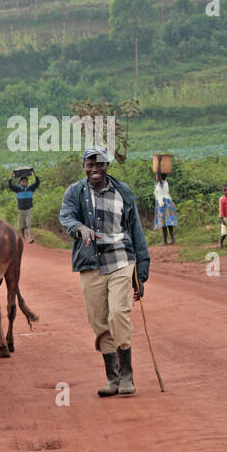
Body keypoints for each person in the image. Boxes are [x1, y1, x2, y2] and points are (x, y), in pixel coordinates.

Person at [58, 146, 150, 397]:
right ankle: (112, 379)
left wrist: (141, 272)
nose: (95, 169)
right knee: (99, 322)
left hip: (121, 259)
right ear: (84, 166)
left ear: (107, 166)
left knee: (118, 314)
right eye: (90, 164)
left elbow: (137, 231)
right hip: (90, 263)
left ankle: (127, 376)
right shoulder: (75, 192)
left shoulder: (123, 192)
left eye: (100, 164)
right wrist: (80, 228)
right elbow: (66, 217)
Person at [7, 169, 40, 243]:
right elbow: (10, 185)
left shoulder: (30, 188)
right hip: (20, 210)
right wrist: (12, 173)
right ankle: (23, 236)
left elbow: (37, 182)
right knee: (22, 225)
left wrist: (34, 171)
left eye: (25, 182)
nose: (24, 183)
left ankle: (30, 237)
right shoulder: (18, 189)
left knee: (29, 223)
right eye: (23, 182)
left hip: (28, 210)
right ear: (20, 182)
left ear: (27, 182)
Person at [153, 172, 177, 245]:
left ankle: (168, 240)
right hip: (163, 203)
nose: (156, 177)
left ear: (160, 177)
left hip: (164, 204)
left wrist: (159, 162)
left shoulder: (162, 183)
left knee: (166, 223)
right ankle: (167, 240)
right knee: (164, 223)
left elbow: (159, 177)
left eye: (157, 176)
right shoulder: (162, 183)